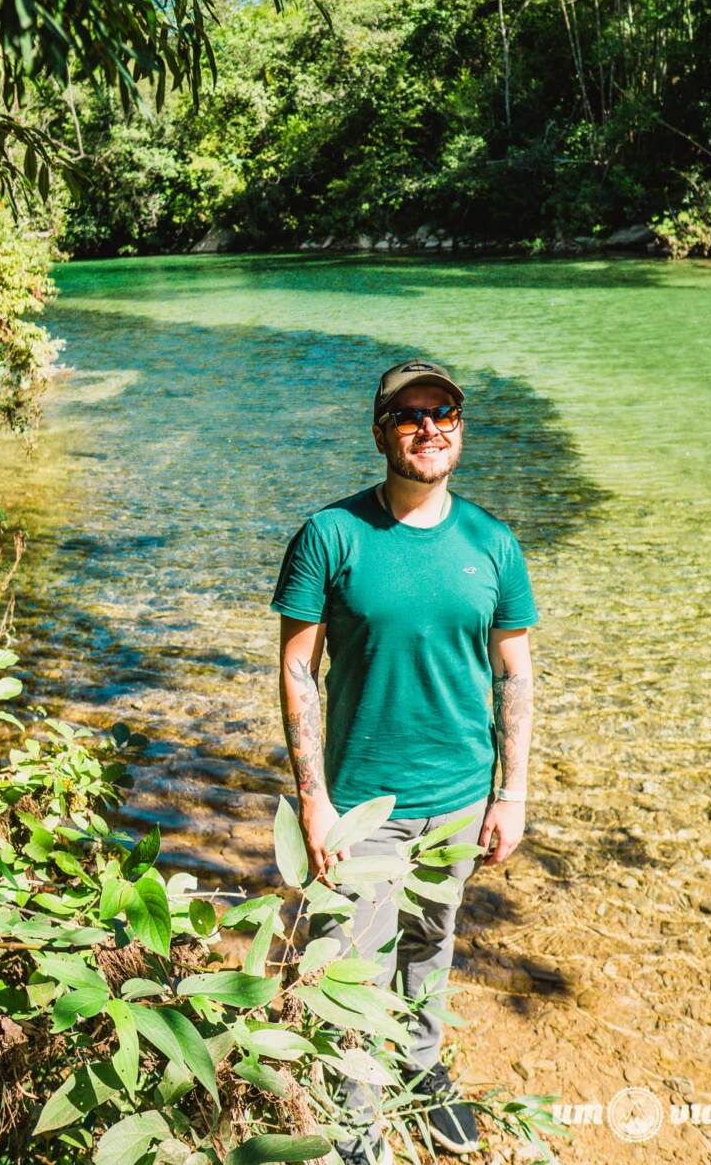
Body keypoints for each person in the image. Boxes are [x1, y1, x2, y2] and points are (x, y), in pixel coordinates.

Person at [272, 358, 537, 1165]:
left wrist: (511, 794)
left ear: (459, 427)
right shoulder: (331, 534)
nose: (430, 429)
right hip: (362, 808)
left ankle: (422, 1071)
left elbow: (515, 673)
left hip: (460, 800)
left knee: (432, 942)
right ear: (381, 431)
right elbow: (296, 671)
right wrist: (314, 802)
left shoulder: (493, 543)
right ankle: (358, 1125)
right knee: (351, 970)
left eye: (444, 414)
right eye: (411, 416)